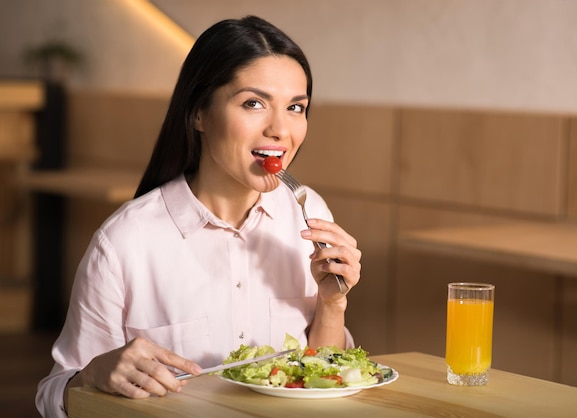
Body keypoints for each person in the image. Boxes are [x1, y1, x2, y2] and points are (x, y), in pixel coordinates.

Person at [36, 15, 361, 417]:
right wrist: (91, 375)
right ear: (199, 114)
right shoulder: (126, 240)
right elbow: (54, 396)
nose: (281, 129)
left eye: (296, 107)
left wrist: (332, 304)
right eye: (253, 103)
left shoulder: (308, 213)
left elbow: (319, 377)